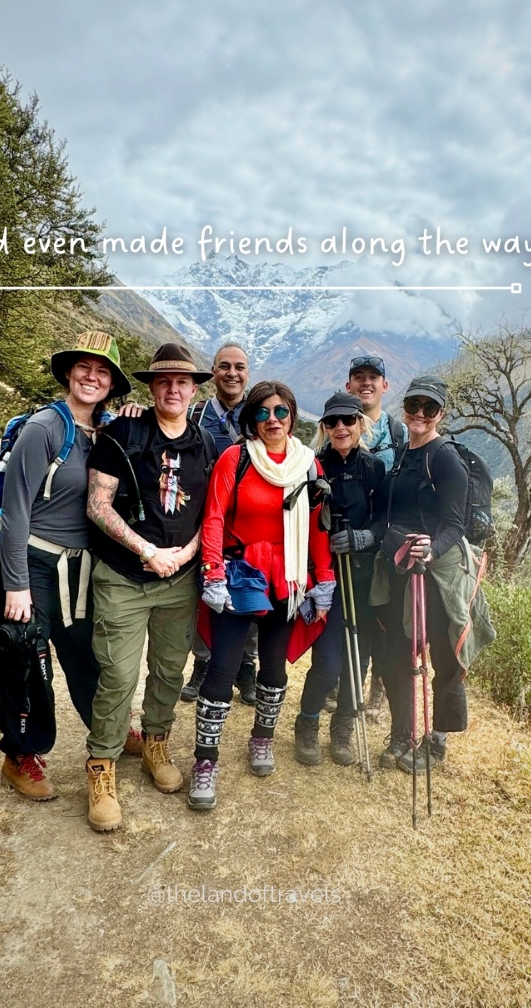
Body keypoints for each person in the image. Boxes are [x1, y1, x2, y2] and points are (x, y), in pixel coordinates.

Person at [0, 330, 132, 800]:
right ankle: (21, 753)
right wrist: (15, 585)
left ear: (111, 382)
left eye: (103, 371)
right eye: (84, 367)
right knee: (26, 658)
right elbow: (15, 512)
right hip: (31, 561)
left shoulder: (106, 430)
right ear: (69, 373)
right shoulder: (44, 429)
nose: (92, 377)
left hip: (79, 568)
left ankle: (107, 729)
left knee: (88, 654)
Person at [84, 343, 214, 832]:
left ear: (194, 388)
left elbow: (211, 513)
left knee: (167, 670)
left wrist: (185, 553)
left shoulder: (205, 445)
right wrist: (147, 551)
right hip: (123, 577)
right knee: (117, 675)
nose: (174, 388)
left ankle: (155, 742)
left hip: (179, 580)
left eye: (183, 381)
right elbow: (98, 506)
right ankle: (102, 766)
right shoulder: (122, 433)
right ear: (151, 386)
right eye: (164, 381)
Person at [188, 380, 335, 811]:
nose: (272, 420)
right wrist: (212, 570)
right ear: (251, 419)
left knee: (272, 666)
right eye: (262, 413)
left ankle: (262, 739)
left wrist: (322, 578)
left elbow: (316, 527)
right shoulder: (236, 459)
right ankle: (205, 761)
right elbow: (214, 517)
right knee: (223, 666)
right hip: (239, 573)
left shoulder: (308, 466)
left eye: (281, 412)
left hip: (286, 577)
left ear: (293, 416)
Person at [375, 375, 470, 772]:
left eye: (429, 408)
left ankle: (437, 742)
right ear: (405, 407)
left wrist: (432, 548)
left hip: (435, 573)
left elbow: (455, 524)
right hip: (400, 568)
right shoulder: (401, 455)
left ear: (440, 414)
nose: (419, 414)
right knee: (396, 651)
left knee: (442, 655)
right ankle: (403, 733)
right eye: (414, 405)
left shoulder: (444, 457)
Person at [294, 392, 386, 766]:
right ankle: (307, 723)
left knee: (357, 661)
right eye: (332, 422)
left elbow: (385, 521)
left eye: (348, 420)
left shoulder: (374, 468)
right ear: (324, 427)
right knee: (329, 661)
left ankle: (343, 727)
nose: (340, 428)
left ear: (360, 423)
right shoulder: (314, 467)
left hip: (364, 582)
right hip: (329, 580)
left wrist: (365, 537)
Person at [182, 341, 258, 705]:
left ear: (248, 373)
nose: (232, 373)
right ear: (213, 371)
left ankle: (247, 667)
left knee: (251, 589)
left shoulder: (261, 415)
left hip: (247, 523)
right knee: (204, 596)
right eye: (224, 366)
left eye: (239, 366)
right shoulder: (194, 415)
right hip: (204, 519)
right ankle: (203, 663)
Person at [344, 354, 406, 719]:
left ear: (385, 385)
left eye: (373, 377)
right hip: (347, 540)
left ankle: (378, 693)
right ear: (348, 384)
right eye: (359, 377)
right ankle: (348, 685)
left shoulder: (397, 432)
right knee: (353, 617)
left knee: (382, 620)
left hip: (384, 543)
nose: (366, 383)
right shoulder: (340, 423)